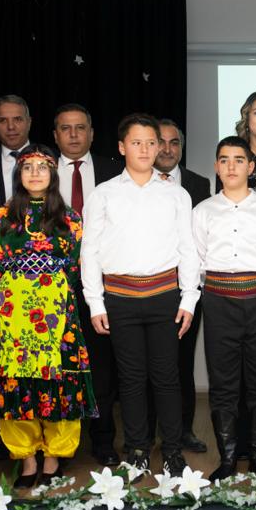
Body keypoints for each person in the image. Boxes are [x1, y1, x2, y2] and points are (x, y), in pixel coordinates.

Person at [81, 114, 199, 474]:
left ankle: (173, 450)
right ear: (122, 147)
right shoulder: (103, 194)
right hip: (119, 298)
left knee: (166, 377)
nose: (146, 150)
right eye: (137, 143)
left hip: (165, 296)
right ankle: (137, 448)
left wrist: (189, 298)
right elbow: (90, 251)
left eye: (152, 142)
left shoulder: (176, 194)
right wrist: (95, 302)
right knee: (130, 379)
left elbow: (188, 249)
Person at [0, 144, 96, 489]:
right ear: (18, 174)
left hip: (57, 313)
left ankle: (54, 457)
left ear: (53, 174)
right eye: (28, 167)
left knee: (58, 382)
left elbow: (75, 266)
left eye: (42, 167)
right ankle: (27, 458)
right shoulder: (2, 217)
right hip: (14, 312)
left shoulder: (70, 218)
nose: (35, 173)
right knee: (16, 381)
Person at [193, 137, 256, 479]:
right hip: (219, 303)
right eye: (224, 160)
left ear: (250, 167)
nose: (231, 166)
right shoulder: (203, 211)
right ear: (216, 167)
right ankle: (228, 459)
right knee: (223, 383)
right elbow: (197, 260)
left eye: (238, 160)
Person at [52, 102, 124, 465]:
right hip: (53, 289)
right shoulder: (40, 172)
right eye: (65, 128)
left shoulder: (114, 171)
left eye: (80, 127)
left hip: (103, 284)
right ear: (55, 135)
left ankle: (103, 440)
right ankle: (60, 445)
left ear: (92, 133)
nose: (74, 134)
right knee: (59, 366)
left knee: (102, 367)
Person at [152, 118, 212, 453]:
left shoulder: (198, 183)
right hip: (148, 286)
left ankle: (184, 431)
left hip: (188, 287)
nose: (167, 149)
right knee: (149, 364)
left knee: (182, 361)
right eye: (160, 142)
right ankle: (147, 433)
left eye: (174, 143)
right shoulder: (138, 183)